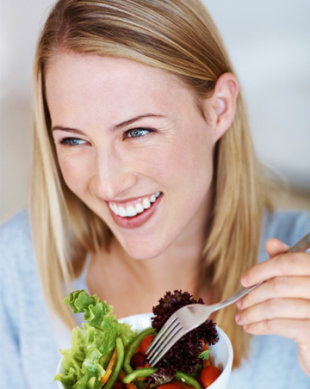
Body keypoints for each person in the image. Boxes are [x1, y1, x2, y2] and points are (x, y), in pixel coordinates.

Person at [0, 0, 309, 388]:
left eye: (137, 132)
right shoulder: (12, 268)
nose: (108, 184)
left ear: (219, 108)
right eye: (74, 140)